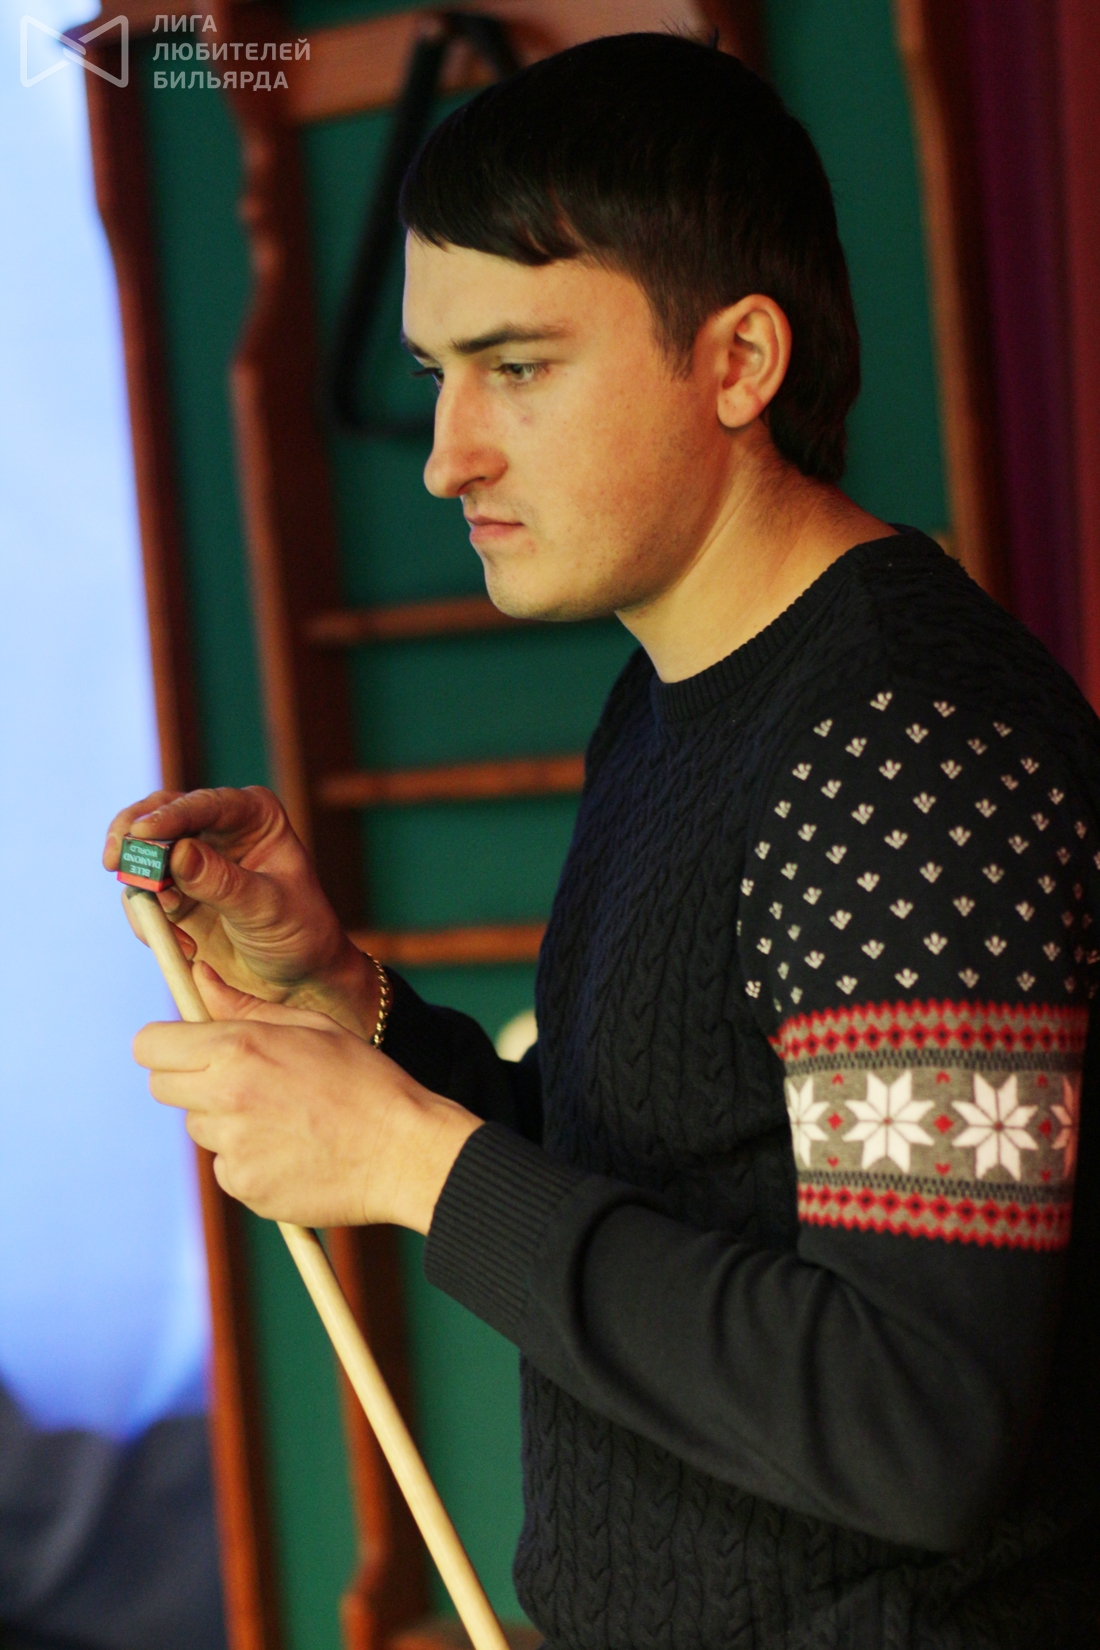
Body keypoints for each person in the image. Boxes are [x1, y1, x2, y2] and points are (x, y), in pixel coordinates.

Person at [104, 34, 1100, 1649]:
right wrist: (350, 1004)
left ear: (739, 359)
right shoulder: (669, 698)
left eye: (517, 366)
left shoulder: (907, 743)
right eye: (438, 372)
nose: (448, 452)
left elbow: (914, 1416)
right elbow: (661, 1189)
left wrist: (413, 1163)